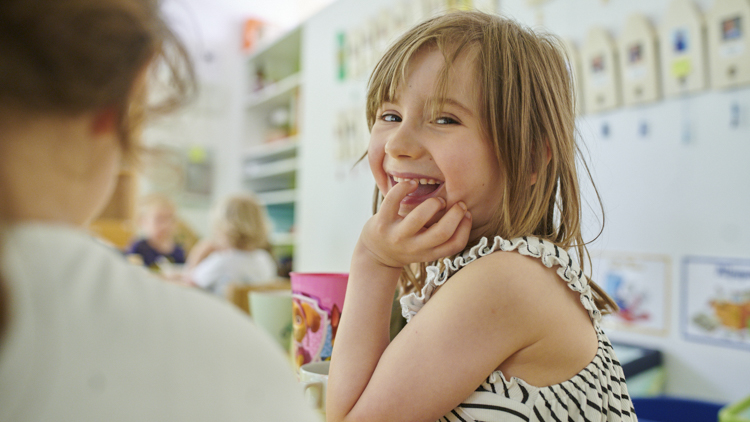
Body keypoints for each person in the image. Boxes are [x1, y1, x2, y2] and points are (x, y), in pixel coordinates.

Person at [0, 1, 319, 421]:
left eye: (167, 218)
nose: (165, 225)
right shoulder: (231, 362)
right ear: (131, 86)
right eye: (159, 218)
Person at [327, 11, 637, 422]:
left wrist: (373, 259)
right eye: (390, 116)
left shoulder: (504, 280)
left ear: (527, 156)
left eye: (444, 119)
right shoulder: (495, 271)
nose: (398, 144)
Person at [187, 194, 278, 297]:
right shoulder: (264, 259)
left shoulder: (221, 261)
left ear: (221, 227)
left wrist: (199, 252)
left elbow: (190, 281)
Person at [126, 193, 186, 270]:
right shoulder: (139, 248)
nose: (165, 225)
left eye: (170, 219)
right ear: (142, 221)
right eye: (159, 219)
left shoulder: (179, 251)